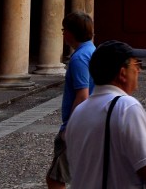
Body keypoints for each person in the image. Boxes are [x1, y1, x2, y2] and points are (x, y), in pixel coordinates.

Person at [66, 41, 146, 189]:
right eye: (136, 64)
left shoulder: (78, 112)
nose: (139, 70)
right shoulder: (127, 107)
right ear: (123, 73)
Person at [47, 11, 95, 189]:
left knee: (56, 179)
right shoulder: (91, 51)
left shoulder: (80, 58)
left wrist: (70, 128)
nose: (62, 33)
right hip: (90, 122)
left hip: (78, 125)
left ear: (71, 32)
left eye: (64, 29)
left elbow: (82, 95)